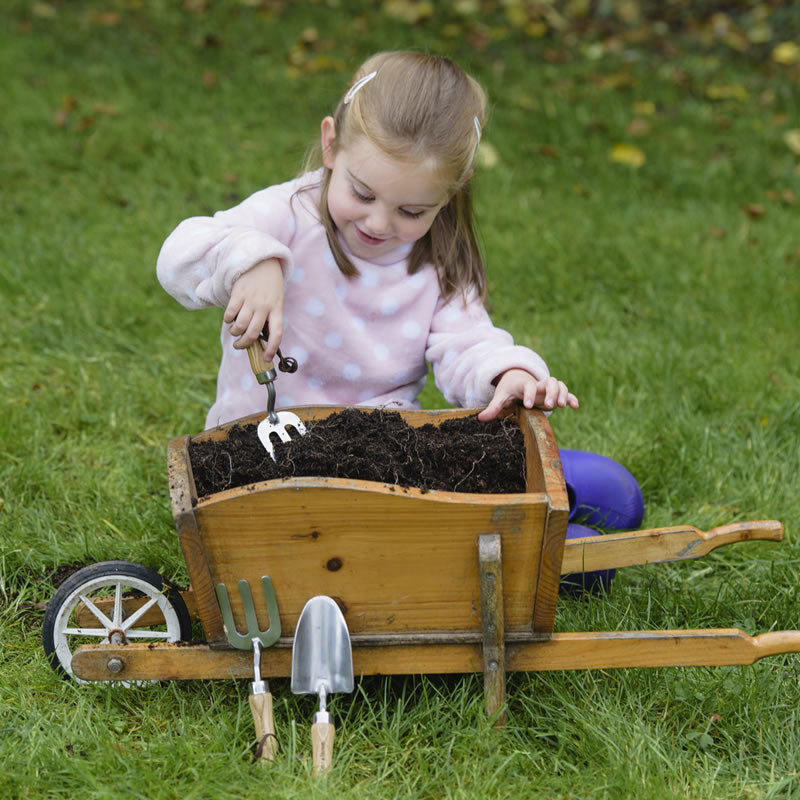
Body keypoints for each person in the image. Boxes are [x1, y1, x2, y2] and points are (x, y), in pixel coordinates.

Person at [157, 50, 579, 431]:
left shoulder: (440, 261)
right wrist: (251, 261)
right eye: (362, 193)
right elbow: (179, 255)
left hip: (376, 447)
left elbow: (468, 344)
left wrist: (508, 375)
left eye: (411, 212)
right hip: (260, 434)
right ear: (331, 146)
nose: (378, 223)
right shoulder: (288, 214)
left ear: (453, 191)